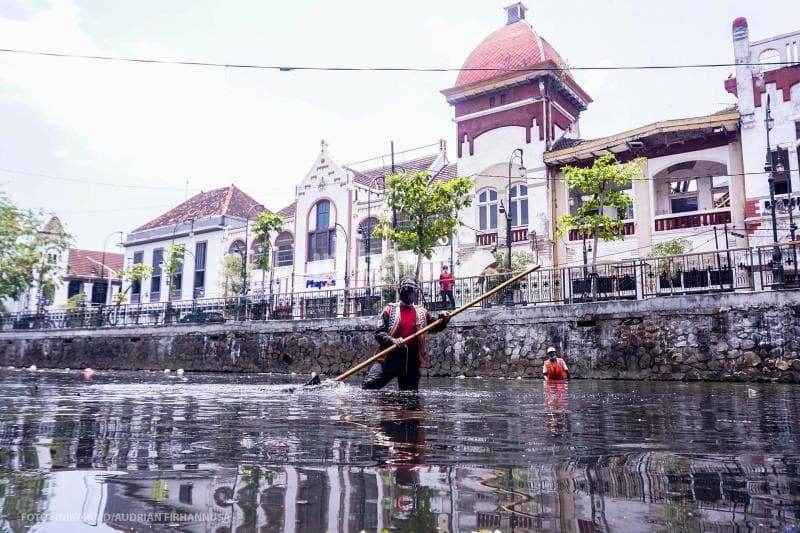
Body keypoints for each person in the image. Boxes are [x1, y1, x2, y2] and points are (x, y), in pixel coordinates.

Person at [363, 276, 450, 391]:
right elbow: (379, 333)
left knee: (410, 396)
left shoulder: (422, 312)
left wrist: (443, 319)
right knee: (369, 385)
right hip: (390, 357)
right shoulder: (389, 310)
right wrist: (393, 340)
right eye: (405, 290)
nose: (409, 294)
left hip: (412, 360)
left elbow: (435, 326)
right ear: (400, 291)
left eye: (411, 291)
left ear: (416, 293)